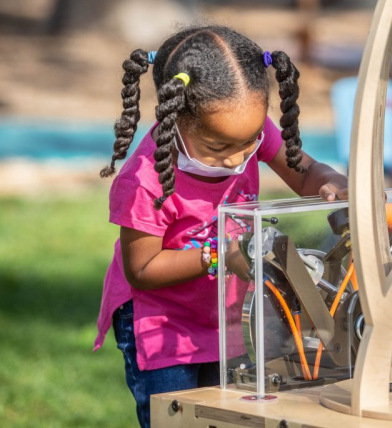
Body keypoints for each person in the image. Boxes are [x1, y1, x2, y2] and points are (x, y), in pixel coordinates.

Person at [93, 25, 348, 428]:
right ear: (176, 118)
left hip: (225, 316)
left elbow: (306, 173)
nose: (236, 160)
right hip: (162, 324)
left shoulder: (242, 131)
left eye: (249, 144)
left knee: (230, 417)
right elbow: (141, 270)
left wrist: (331, 182)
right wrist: (220, 256)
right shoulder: (145, 180)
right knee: (179, 420)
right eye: (217, 149)